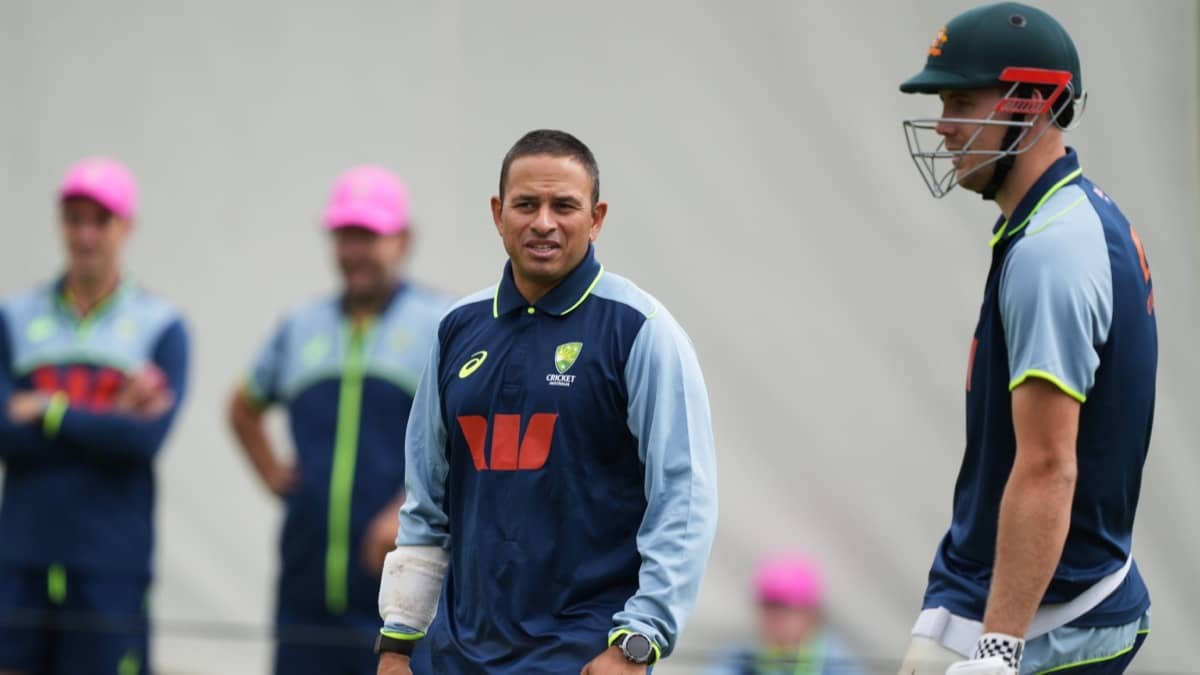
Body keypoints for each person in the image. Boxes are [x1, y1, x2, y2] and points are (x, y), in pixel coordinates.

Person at [372, 129, 718, 674]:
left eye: (565, 206)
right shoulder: (456, 329)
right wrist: (397, 644)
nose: (543, 222)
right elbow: (426, 504)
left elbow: (684, 497)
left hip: (582, 656)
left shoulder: (641, 330)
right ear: (498, 213)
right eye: (526, 204)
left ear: (597, 217)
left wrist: (639, 641)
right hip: (455, 657)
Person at [896, 3, 1156, 675]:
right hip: (1000, 588)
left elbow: (1049, 464)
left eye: (959, 100)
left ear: (1033, 103)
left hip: (1046, 618)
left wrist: (998, 647)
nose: (946, 128)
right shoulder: (1070, 214)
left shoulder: (1052, 248)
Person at [228, 165, 449, 674]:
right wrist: (272, 471)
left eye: (368, 236)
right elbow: (243, 407)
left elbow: (465, 441)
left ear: (402, 240)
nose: (353, 251)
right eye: (344, 236)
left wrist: (406, 505)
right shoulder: (301, 325)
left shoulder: (442, 325)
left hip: (400, 591)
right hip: (306, 587)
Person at [0, 157, 189, 674]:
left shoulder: (160, 326)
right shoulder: (14, 318)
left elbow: (144, 441)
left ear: (126, 227)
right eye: (73, 218)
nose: (84, 235)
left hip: (111, 569)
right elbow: (2, 432)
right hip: (21, 563)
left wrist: (46, 409)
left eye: (98, 221)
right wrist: (110, 412)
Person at [705, 554, 864, 675]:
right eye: (768, 608)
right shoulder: (742, 658)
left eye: (784, 610)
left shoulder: (837, 662)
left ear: (809, 614)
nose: (774, 620)